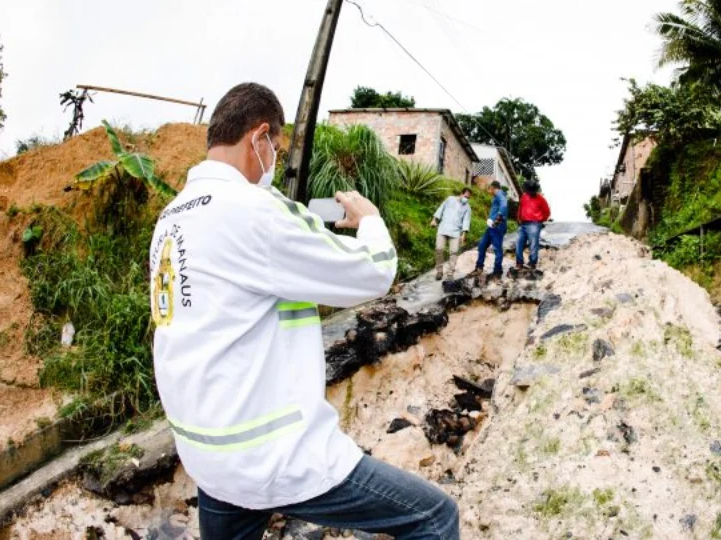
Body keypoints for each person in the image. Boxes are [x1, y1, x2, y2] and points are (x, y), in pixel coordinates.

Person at [149, 83, 458, 540]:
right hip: (272, 457)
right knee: (434, 517)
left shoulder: (171, 216)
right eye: (275, 146)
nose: (274, 158)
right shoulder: (253, 209)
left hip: (209, 457)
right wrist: (369, 219)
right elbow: (372, 273)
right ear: (259, 138)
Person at [431, 187, 472, 280]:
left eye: (468, 198)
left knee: (454, 252)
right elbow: (441, 208)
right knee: (439, 249)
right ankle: (439, 271)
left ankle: (450, 273)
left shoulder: (467, 207)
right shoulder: (450, 199)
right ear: (461, 194)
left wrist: (463, 234)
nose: (467, 199)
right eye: (466, 196)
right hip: (443, 228)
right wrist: (434, 220)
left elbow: (466, 221)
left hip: (455, 232)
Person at [471, 181, 509, 280]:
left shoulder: (499, 194)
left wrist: (498, 219)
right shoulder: (497, 196)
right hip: (491, 227)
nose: (489, 191)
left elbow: (504, 205)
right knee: (482, 246)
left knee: (497, 249)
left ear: (492, 188)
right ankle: (479, 268)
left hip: (497, 226)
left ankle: (497, 272)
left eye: (489, 189)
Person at [515, 180, 551, 272]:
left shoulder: (541, 199)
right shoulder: (524, 196)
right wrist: (518, 218)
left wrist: (540, 221)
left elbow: (547, 212)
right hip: (523, 223)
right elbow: (521, 207)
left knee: (533, 244)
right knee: (519, 242)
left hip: (534, 223)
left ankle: (532, 263)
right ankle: (519, 263)